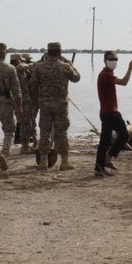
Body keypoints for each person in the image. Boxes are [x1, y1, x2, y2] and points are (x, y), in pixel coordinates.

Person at [29, 42, 80, 171]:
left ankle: (43, 162)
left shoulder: (39, 67)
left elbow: (33, 85)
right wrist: (70, 64)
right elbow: (76, 78)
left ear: (48, 52)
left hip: (45, 103)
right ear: (59, 52)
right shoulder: (65, 66)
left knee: (45, 133)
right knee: (61, 132)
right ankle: (64, 162)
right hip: (61, 103)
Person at [95, 51, 132, 177]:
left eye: (115, 59)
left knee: (124, 135)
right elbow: (124, 82)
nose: (113, 61)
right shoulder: (104, 75)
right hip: (107, 113)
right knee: (105, 141)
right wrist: (130, 68)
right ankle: (99, 167)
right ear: (105, 60)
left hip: (114, 111)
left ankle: (108, 160)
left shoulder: (109, 74)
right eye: (110, 59)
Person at [0, 43, 23, 171]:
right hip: (5, 102)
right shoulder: (10, 68)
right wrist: (18, 106)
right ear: (5, 53)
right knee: (9, 131)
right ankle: (5, 153)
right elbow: (16, 90)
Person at [10, 54, 37, 153]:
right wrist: (33, 64)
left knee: (26, 123)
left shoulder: (20, 70)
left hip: (23, 100)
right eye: (22, 61)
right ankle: (24, 147)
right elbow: (22, 67)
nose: (23, 62)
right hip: (21, 100)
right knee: (25, 123)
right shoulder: (15, 69)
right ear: (17, 61)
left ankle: (26, 144)